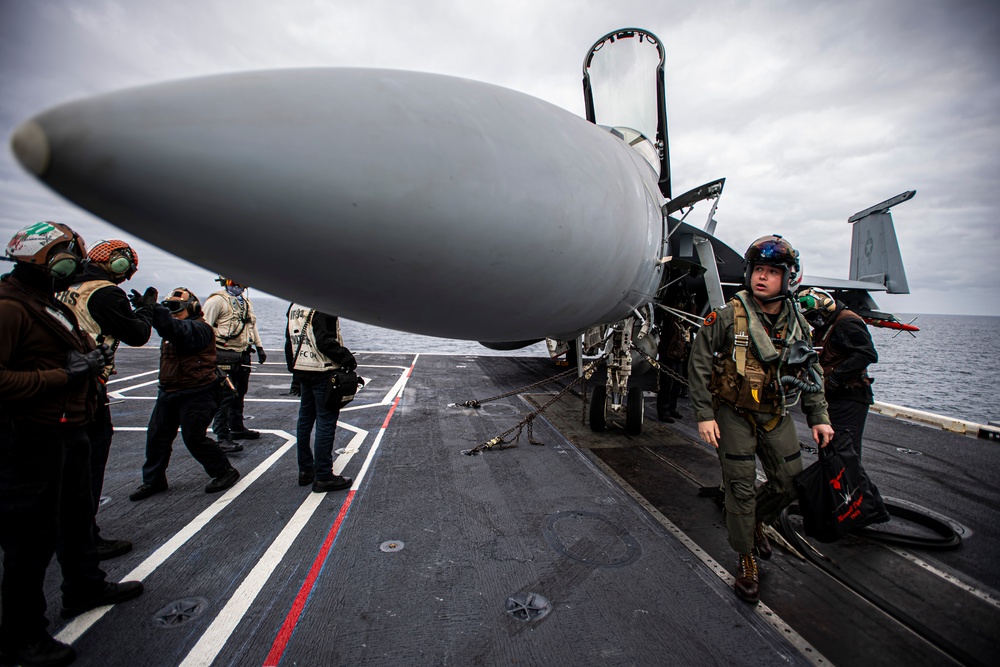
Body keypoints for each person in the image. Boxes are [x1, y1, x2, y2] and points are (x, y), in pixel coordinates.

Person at [1, 222, 143, 667]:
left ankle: (84, 586)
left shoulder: (47, 303)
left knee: (76, 513)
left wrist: (87, 362)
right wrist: (67, 374)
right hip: (31, 435)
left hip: (70, 425)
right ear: (49, 258)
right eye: (70, 255)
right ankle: (21, 639)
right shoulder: (9, 308)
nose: (77, 264)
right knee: (32, 538)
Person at [687, 234, 834, 604]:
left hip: (776, 412)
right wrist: (705, 415)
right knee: (739, 487)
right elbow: (700, 361)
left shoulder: (796, 322)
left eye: (772, 272)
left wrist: (819, 417)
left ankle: (756, 522)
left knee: (790, 483)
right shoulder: (727, 316)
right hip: (733, 414)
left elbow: (810, 368)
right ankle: (746, 557)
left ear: (787, 278)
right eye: (758, 270)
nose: (762, 278)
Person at [55, 239, 156, 560]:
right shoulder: (106, 293)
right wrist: (146, 311)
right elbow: (138, 335)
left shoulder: (67, 286)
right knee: (88, 464)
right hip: (87, 384)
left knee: (61, 465)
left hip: (60, 381)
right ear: (121, 265)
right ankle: (85, 538)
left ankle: (62, 532)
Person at [129, 287, 240, 501]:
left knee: (194, 438)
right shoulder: (171, 328)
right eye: (168, 308)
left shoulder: (200, 329)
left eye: (176, 308)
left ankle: (224, 471)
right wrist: (146, 310)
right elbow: (170, 327)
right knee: (156, 437)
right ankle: (154, 480)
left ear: (193, 308)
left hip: (198, 392)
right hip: (170, 392)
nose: (173, 312)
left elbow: (178, 331)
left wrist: (155, 310)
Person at [797, 287, 878, 459]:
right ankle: (833, 484)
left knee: (844, 452)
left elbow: (866, 354)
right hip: (834, 397)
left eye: (813, 316)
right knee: (830, 450)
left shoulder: (846, 322)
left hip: (849, 398)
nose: (812, 321)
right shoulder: (826, 325)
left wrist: (835, 378)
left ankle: (850, 485)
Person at [284, 303, 356, 493]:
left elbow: (289, 341)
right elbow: (325, 342)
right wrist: (347, 358)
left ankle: (306, 470)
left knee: (305, 420)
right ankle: (323, 476)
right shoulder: (323, 305)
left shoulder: (293, 305)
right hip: (322, 370)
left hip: (302, 369)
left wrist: (294, 371)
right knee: (325, 422)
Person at [202, 276, 266, 453]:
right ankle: (222, 435)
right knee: (224, 395)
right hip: (223, 354)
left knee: (240, 392)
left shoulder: (245, 302)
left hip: (243, 354)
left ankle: (237, 427)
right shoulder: (216, 301)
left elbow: (251, 326)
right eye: (234, 282)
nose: (238, 286)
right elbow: (204, 327)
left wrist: (259, 346)